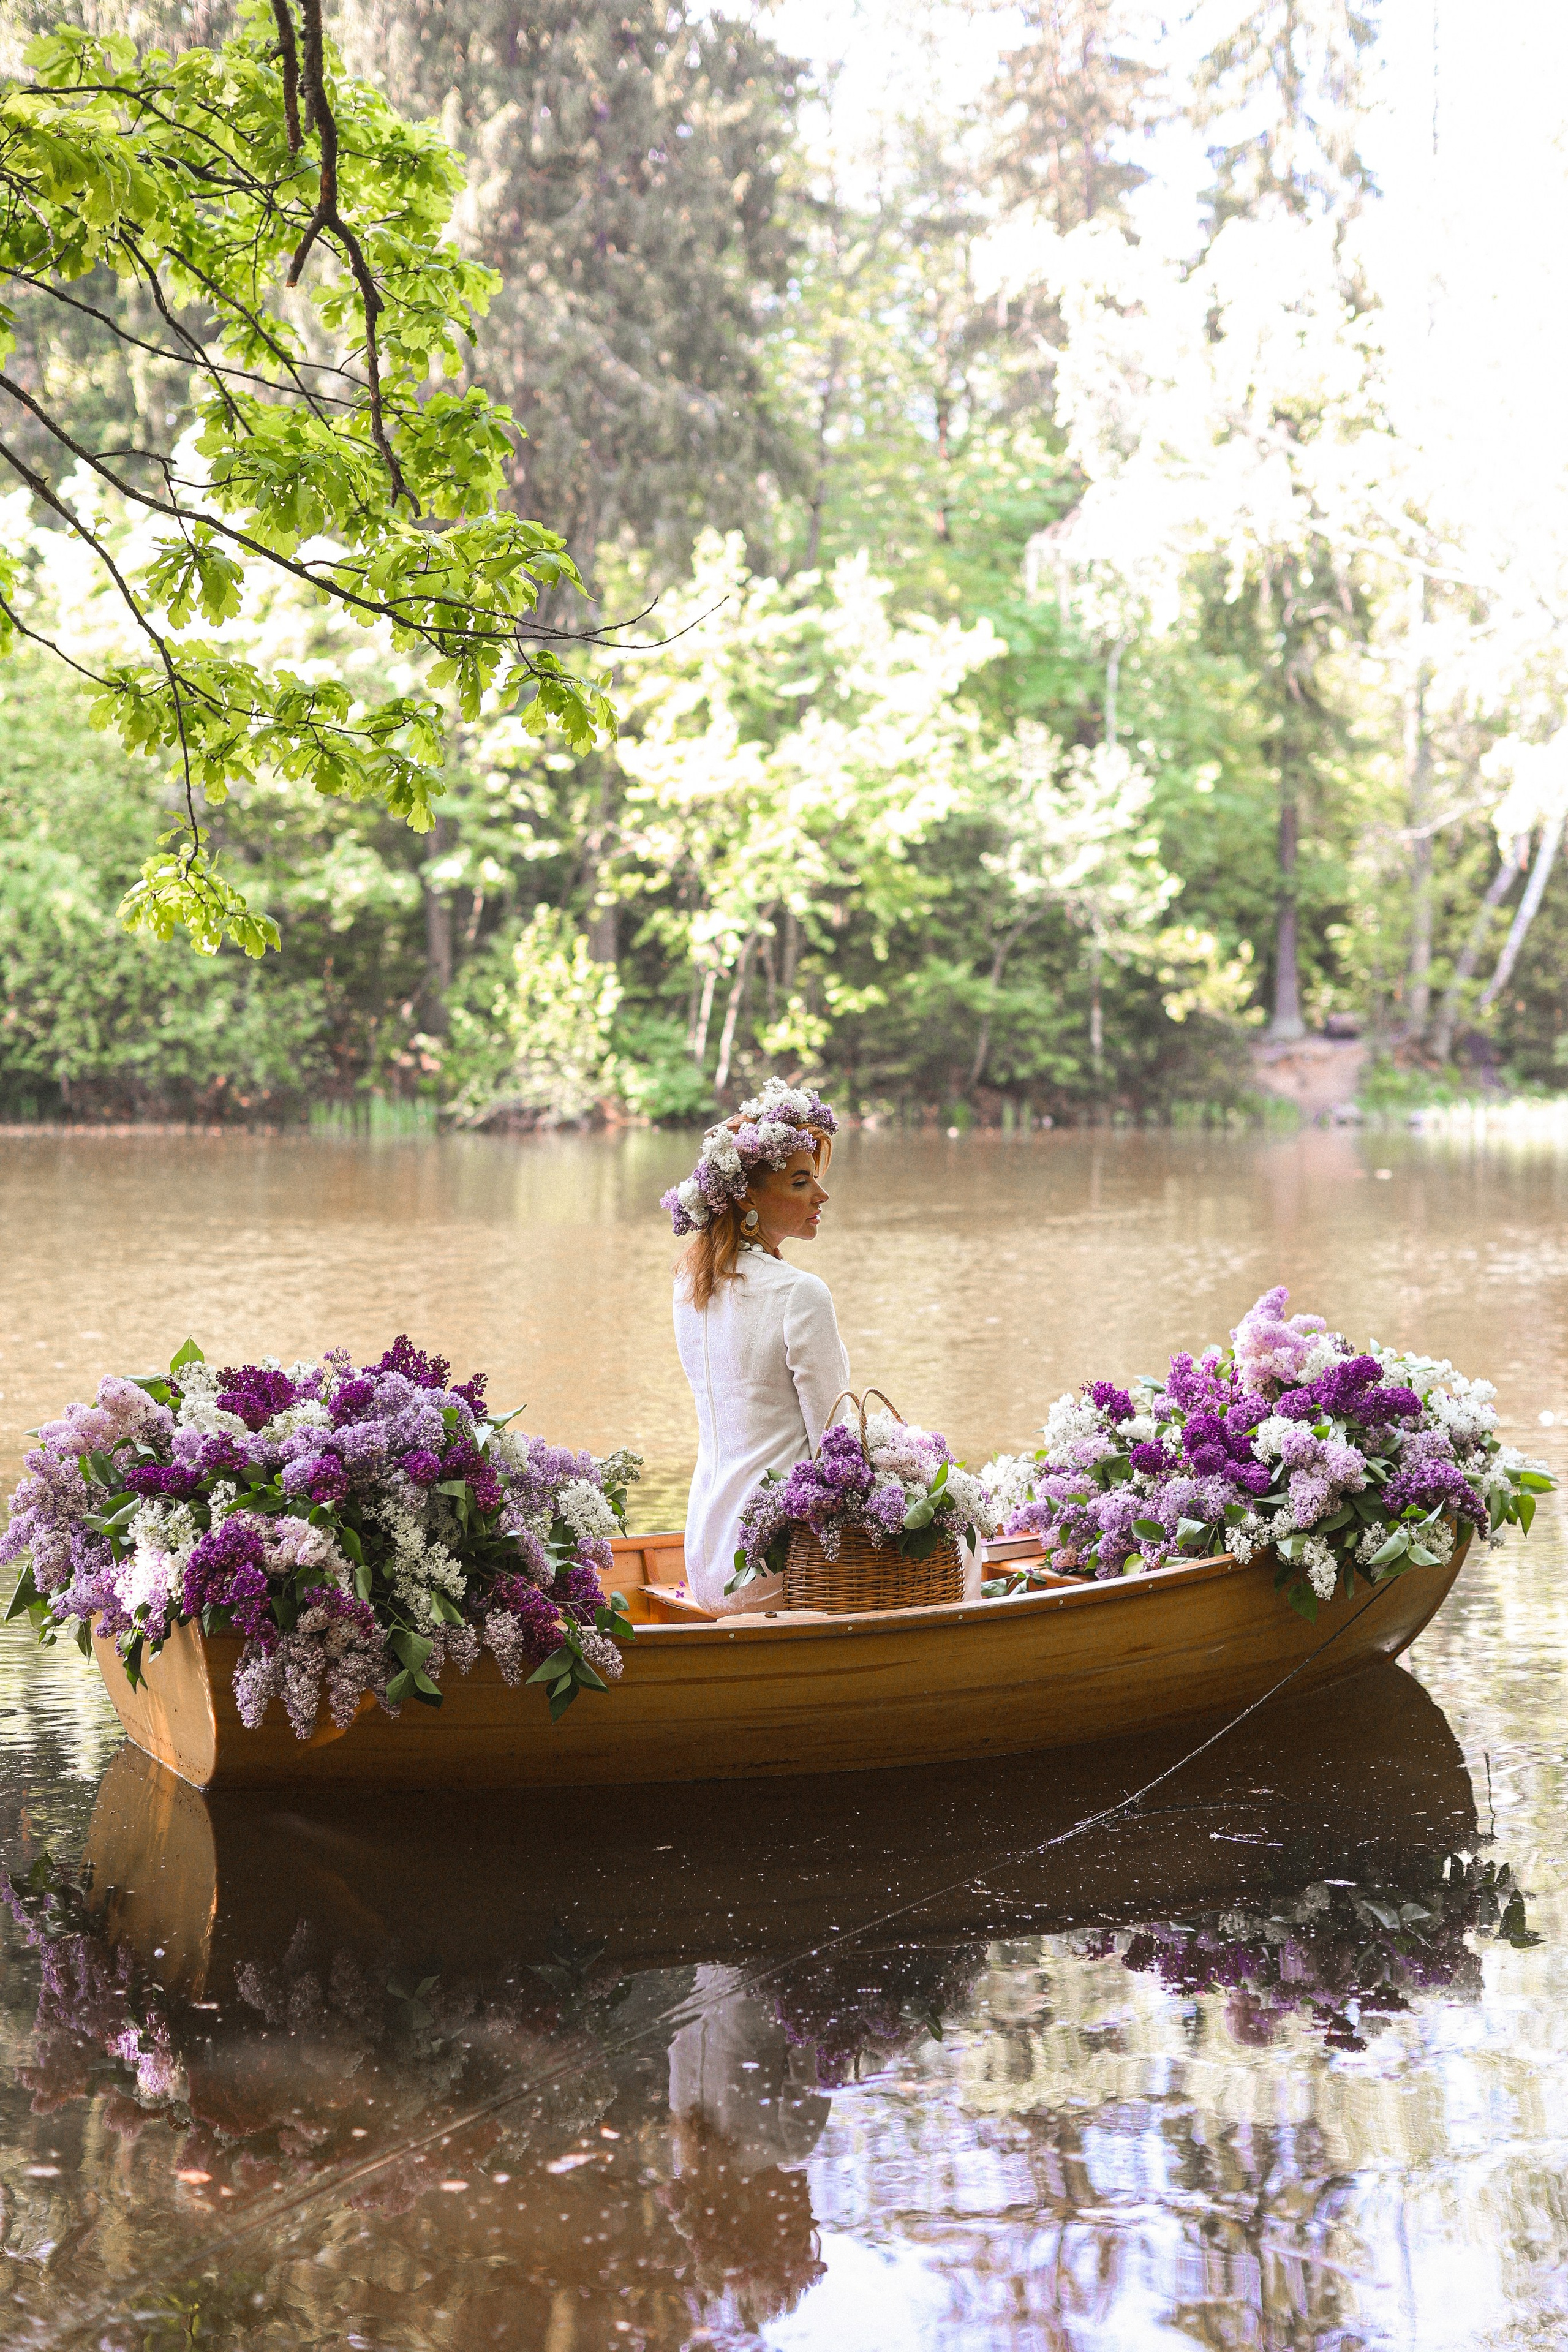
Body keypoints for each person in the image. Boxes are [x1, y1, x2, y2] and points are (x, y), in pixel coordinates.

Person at [662, 1078, 850, 1615]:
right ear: (746, 1195)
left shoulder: (689, 1283)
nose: (821, 1196)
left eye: (814, 1179)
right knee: (957, 1543)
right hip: (778, 1563)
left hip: (706, 1553)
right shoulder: (800, 1294)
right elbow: (835, 1446)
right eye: (799, 1183)